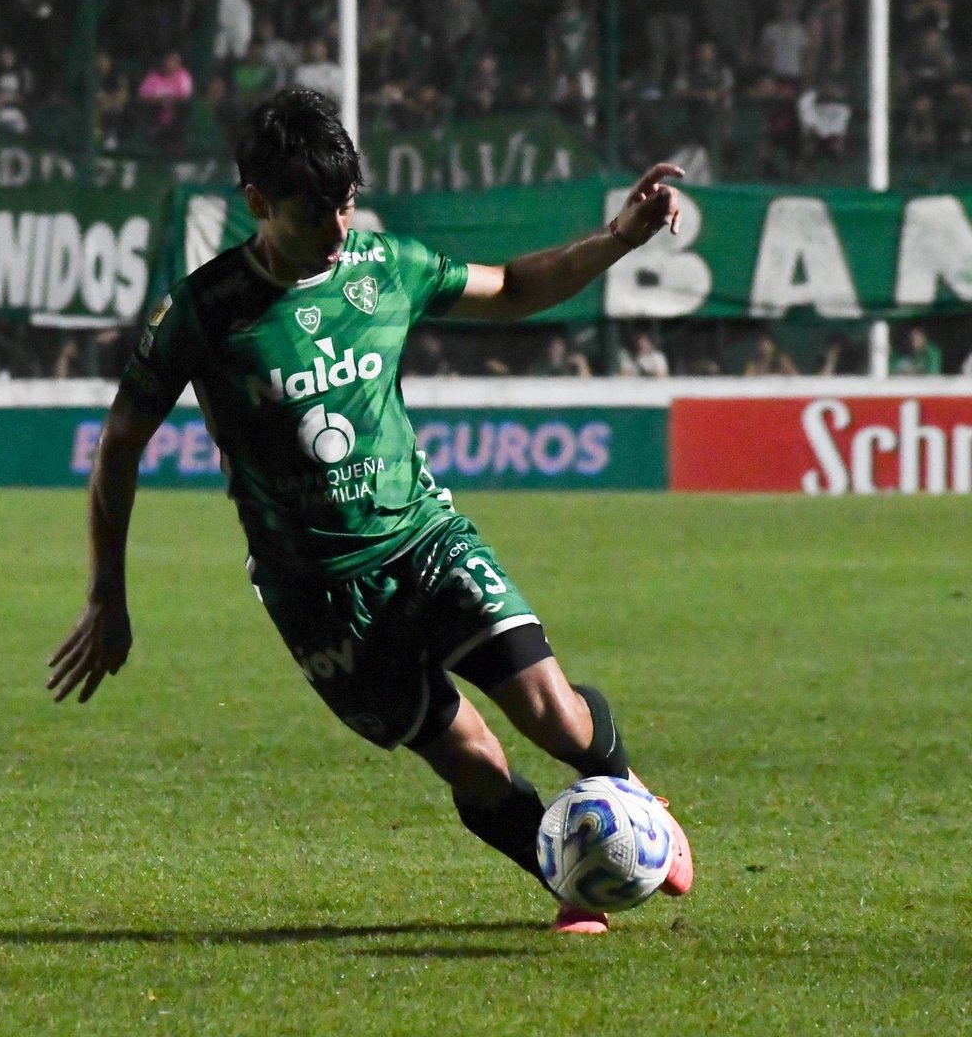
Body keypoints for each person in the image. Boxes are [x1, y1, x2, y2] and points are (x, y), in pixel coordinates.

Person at [48, 89, 694, 935]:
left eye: (347, 203)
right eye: (316, 211)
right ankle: (568, 871)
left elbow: (510, 289)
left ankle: (629, 794)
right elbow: (119, 446)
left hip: (425, 541)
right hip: (316, 596)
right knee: (473, 761)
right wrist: (107, 594)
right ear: (258, 203)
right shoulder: (202, 311)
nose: (338, 227)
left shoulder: (385, 266)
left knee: (555, 713)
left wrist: (616, 239)